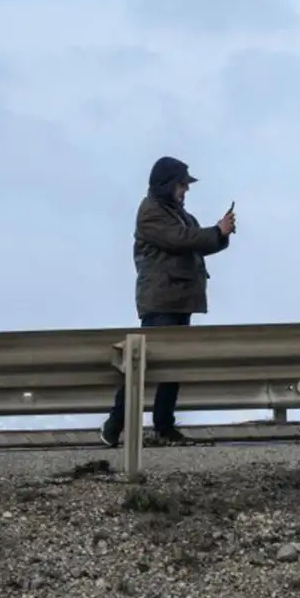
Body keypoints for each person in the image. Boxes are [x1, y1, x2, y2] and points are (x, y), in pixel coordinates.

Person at [101, 157, 235, 447]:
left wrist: (219, 234)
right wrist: (217, 231)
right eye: (181, 184)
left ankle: (163, 426)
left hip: (178, 299)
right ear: (167, 184)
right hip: (161, 302)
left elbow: (195, 240)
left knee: (171, 367)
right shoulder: (151, 213)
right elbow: (182, 240)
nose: (185, 190)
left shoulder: (175, 212)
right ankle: (115, 424)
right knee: (144, 365)